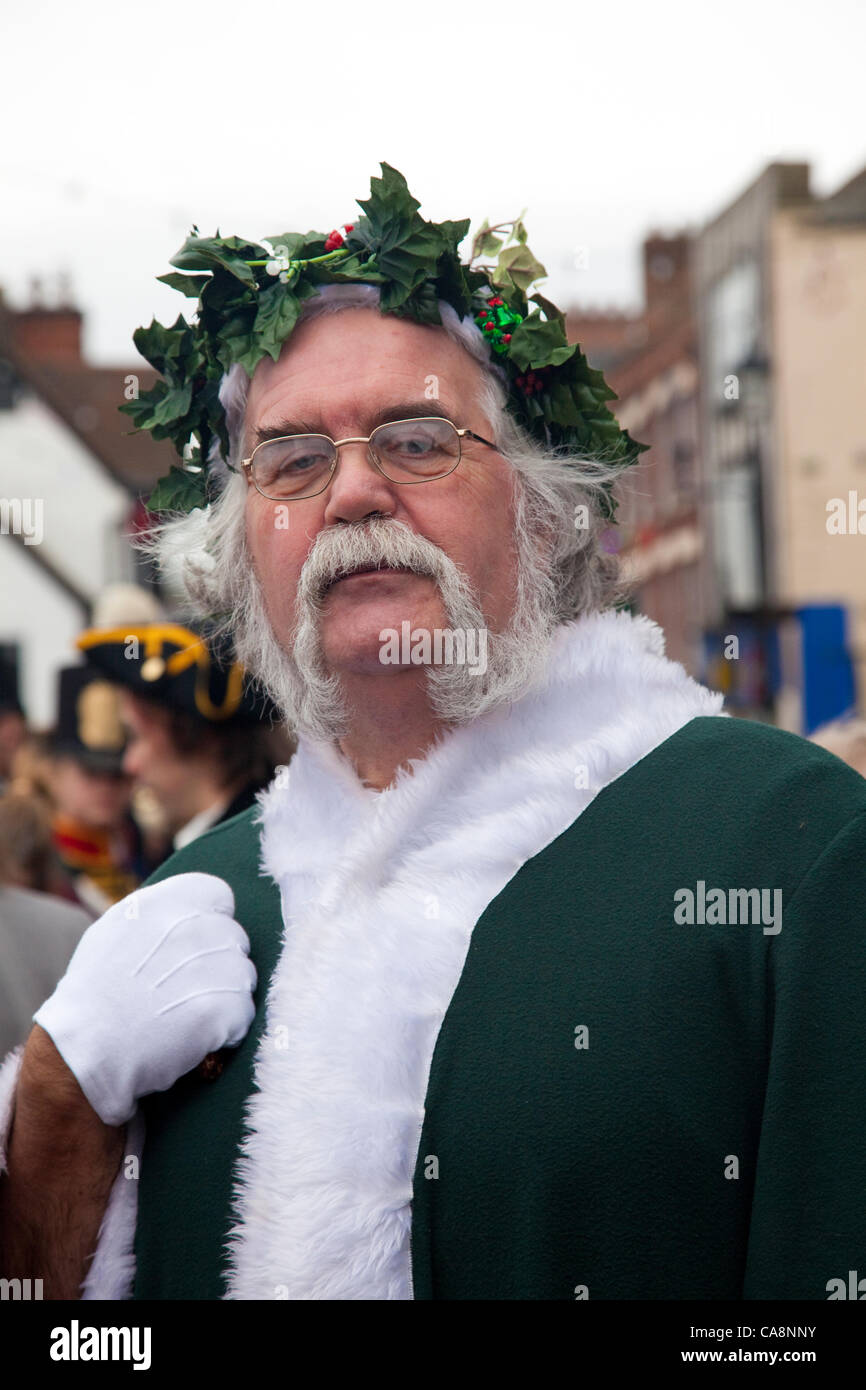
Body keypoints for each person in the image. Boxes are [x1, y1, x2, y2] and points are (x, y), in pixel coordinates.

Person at [2, 165, 866, 1302]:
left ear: (543, 510)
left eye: (417, 441)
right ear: (235, 551)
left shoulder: (786, 843)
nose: (351, 494)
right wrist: (56, 1104)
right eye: (293, 458)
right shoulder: (191, 905)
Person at [75, 622, 290, 854]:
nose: (129, 765)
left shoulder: (245, 856)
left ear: (196, 736)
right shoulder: (233, 840)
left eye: (136, 736)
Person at [46, 667, 142, 914]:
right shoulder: (38, 863)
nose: (105, 788)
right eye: (90, 774)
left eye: (116, 776)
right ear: (55, 773)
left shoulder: (140, 850)